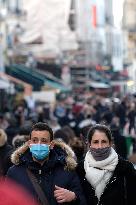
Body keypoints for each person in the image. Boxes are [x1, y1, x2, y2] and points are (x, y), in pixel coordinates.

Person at [7, 122, 86, 205]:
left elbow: (82, 200)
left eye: (44, 141)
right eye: (35, 140)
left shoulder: (66, 170)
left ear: (51, 145)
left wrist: (74, 197)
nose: (39, 144)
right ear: (30, 144)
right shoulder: (15, 172)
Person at [77, 124, 136, 205]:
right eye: (96, 142)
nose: (100, 146)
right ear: (89, 143)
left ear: (110, 143)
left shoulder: (125, 168)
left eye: (104, 141)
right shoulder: (80, 169)